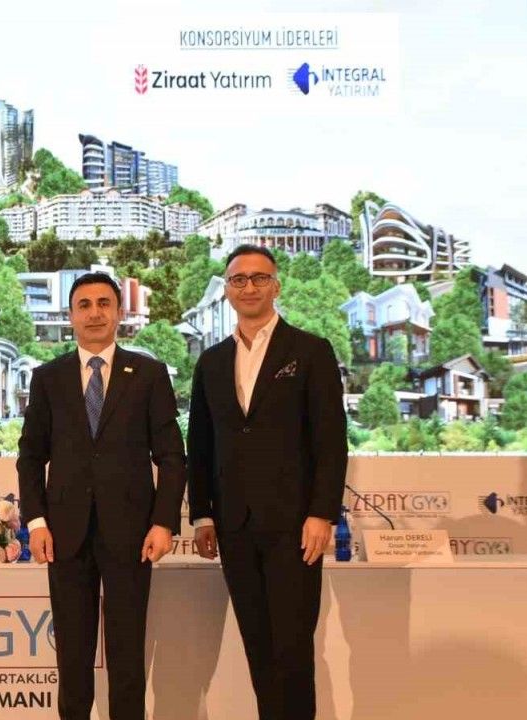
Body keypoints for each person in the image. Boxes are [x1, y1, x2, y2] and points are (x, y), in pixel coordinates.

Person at [187, 244, 348, 720]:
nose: (250, 287)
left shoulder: (310, 351)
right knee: (259, 649)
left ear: (276, 286)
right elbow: (201, 443)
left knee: (293, 651)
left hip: (295, 526)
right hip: (234, 527)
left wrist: (321, 513)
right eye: (239, 279)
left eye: (259, 278)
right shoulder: (211, 361)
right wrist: (202, 515)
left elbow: (330, 441)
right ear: (227, 291)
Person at [16, 272, 187, 720]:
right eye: (85, 305)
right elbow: (30, 457)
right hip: (64, 536)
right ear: (70, 315)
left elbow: (172, 456)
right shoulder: (48, 378)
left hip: (132, 535)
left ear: (120, 312)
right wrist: (36, 522)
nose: (95, 313)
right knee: (72, 657)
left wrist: (164, 522)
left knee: (127, 655)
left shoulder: (148, 374)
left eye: (104, 303)